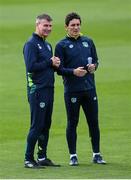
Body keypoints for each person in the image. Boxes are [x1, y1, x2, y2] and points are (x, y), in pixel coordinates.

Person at [55, 12, 106, 166]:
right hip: (72, 90)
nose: (76, 28)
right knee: (72, 122)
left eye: (78, 24)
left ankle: (96, 154)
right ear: (66, 27)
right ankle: (73, 155)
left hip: (89, 88)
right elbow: (58, 69)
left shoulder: (88, 42)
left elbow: (96, 61)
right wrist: (73, 72)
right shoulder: (61, 45)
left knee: (93, 122)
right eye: (73, 25)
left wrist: (93, 67)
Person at [23, 13, 60, 168]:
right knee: (37, 125)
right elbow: (31, 67)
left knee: (46, 125)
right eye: (45, 25)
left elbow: (46, 66)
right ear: (37, 25)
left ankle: (42, 156)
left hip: (48, 89)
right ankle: (28, 159)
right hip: (37, 90)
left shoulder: (47, 45)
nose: (48, 28)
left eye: (50, 26)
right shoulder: (31, 44)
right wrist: (49, 61)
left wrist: (55, 64)